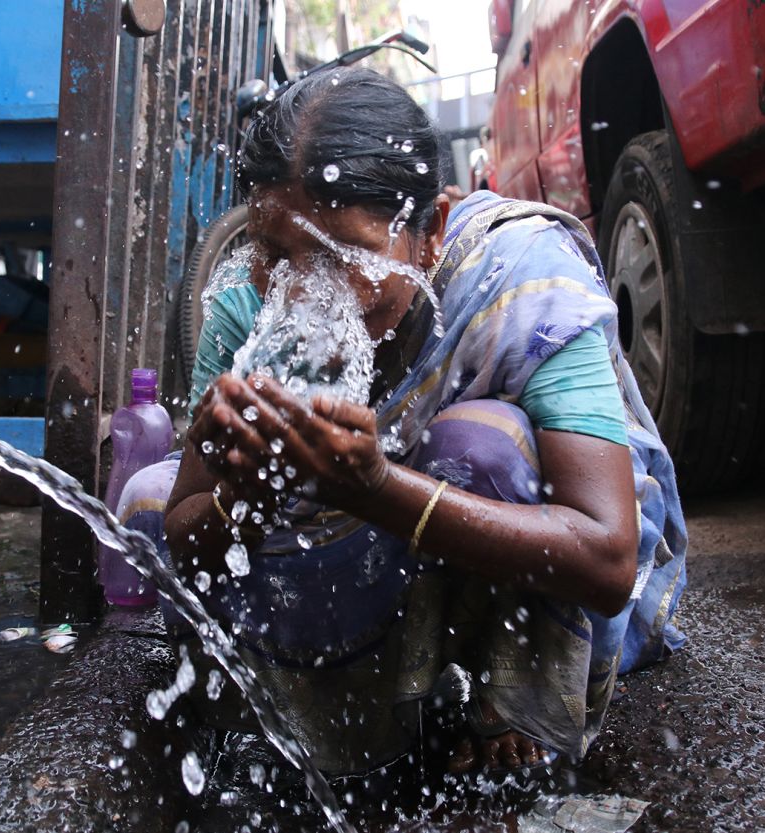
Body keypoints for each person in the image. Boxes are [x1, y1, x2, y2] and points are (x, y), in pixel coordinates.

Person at [113, 66, 687, 788]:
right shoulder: (243, 308)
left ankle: (497, 698)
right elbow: (188, 541)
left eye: (351, 255)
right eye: (282, 255)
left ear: (431, 232)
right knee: (142, 497)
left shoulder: (515, 276)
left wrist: (375, 487)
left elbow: (606, 559)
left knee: (479, 444)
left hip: (507, 573)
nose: (312, 292)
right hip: (367, 579)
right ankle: (354, 711)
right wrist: (243, 496)